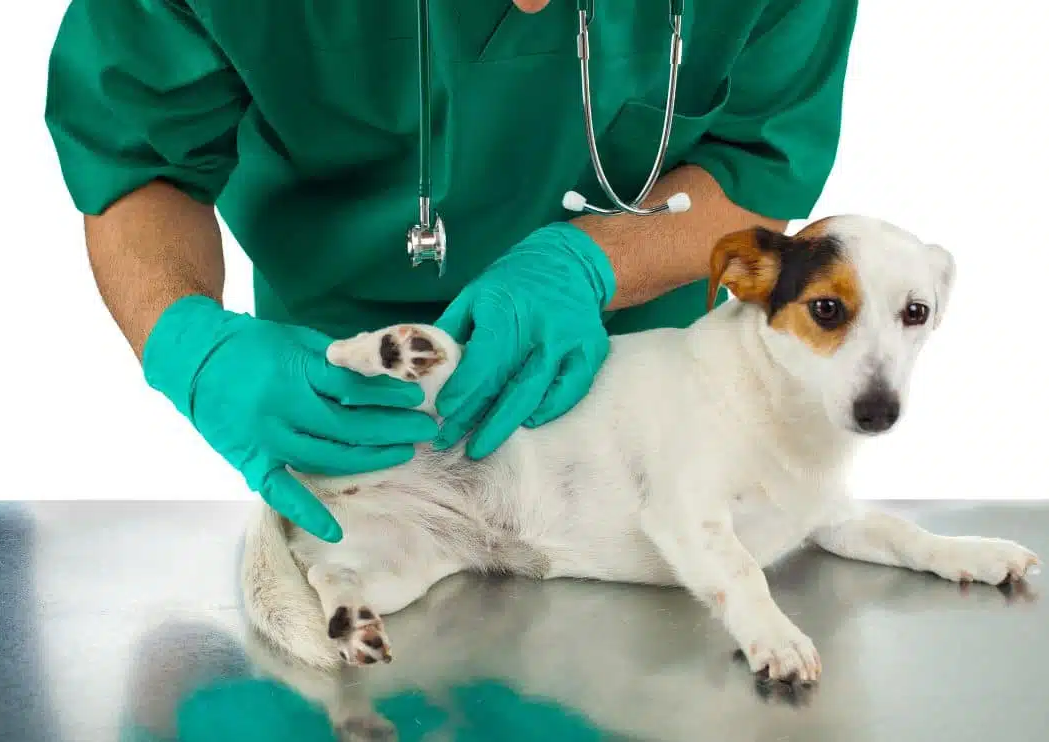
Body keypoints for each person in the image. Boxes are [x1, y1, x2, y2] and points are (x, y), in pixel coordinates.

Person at [44, 0, 858, 543]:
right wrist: (189, 341)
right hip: (347, 408)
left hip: (638, 417)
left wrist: (588, 264)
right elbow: (135, 153)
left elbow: (757, 162)